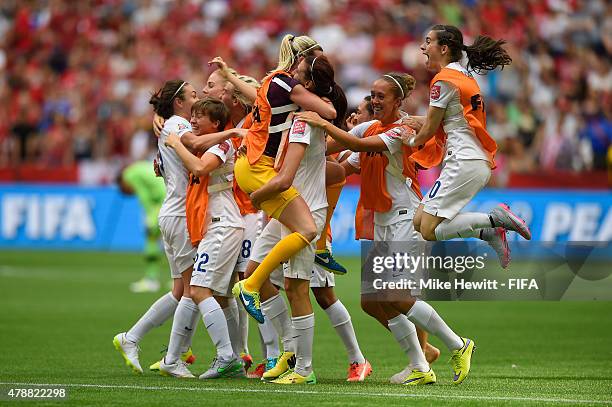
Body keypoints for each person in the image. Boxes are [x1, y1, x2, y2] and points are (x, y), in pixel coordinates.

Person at [297, 71, 463, 385]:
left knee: (397, 295)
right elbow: (341, 165)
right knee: (372, 301)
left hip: (405, 218)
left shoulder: (401, 131)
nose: (374, 101)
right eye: (372, 94)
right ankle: (421, 360)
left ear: (398, 101)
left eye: (381, 96)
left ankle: (452, 346)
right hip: (382, 222)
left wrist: (324, 124)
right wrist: (301, 170)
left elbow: (354, 143)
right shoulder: (372, 126)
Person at [248, 55, 371, 384]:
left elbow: (288, 177)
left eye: (298, 74)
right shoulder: (299, 117)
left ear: (309, 84)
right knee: (254, 275)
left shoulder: (304, 123)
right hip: (291, 209)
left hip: (304, 211)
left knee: (301, 290)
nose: (291, 78)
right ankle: (290, 352)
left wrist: (258, 195)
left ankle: (304, 368)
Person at [228, 34, 337, 323]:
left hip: (252, 166)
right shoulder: (289, 90)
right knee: (307, 235)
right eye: (312, 56)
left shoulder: (272, 82)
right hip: (262, 169)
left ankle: (282, 352)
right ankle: (249, 287)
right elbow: (329, 112)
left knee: (284, 276)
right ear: (301, 59)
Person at [402, 25, 531, 270]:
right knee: (419, 222)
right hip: (472, 158)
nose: (423, 47)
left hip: (463, 161)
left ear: (443, 48)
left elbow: (429, 129)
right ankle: (488, 232)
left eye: (428, 41)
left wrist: (407, 141)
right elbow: (450, 121)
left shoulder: (442, 81)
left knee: (428, 230)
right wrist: (416, 121)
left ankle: (493, 220)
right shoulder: (463, 76)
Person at [113, 79, 199, 374]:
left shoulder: (167, 127)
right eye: (192, 94)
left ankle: (132, 338)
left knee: (180, 290)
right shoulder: (178, 127)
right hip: (182, 215)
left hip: (171, 212)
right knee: (194, 290)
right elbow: (198, 153)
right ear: (178, 102)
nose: (197, 96)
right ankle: (174, 358)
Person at [160, 98, 246, 379]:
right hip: (213, 225)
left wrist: (174, 144)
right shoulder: (207, 142)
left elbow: (199, 168)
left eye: (200, 117)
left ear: (217, 124)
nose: (194, 121)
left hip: (222, 224)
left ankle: (227, 356)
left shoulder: (223, 145)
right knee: (217, 296)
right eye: (193, 115)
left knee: (198, 290)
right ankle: (174, 358)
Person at [117, 161, 166, 293]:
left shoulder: (129, 175)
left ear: (122, 183)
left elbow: (144, 197)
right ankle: (180, 280)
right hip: (169, 194)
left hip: (163, 200)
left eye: (124, 190)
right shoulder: (137, 169)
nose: (128, 192)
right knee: (173, 241)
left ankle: (151, 280)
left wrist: (149, 218)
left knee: (151, 237)